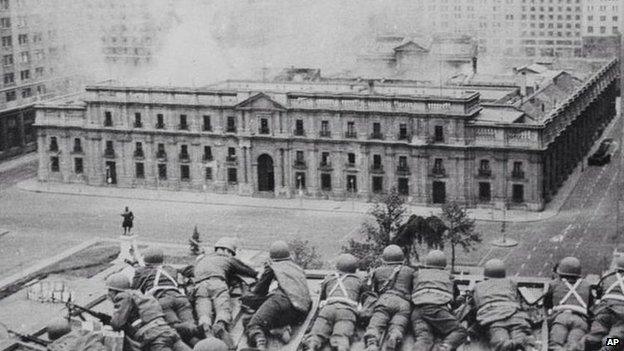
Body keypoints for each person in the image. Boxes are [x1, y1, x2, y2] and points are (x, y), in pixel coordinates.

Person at [244, 240, 312, 350]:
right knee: (248, 319)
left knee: (252, 325)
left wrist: (247, 296)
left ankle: (261, 346)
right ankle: (279, 330)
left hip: (281, 301)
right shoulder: (297, 267)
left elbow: (260, 291)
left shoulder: (273, 266)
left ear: (272, 256)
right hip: (301, 311)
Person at [194, 237, 258, 347]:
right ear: (227, 250)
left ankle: (205, 325)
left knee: (203, 309)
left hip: (200, 286)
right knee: (223, 307)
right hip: (218, 283)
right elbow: (249, 271)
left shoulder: (202, 259)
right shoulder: (227, 259)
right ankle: (220, 324)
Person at [106, 272, 192, 351]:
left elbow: (117, 324)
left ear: (113, 290)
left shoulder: (123, 296)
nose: (108, 294)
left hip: (154, 337)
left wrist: (108, 320)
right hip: (168, 331)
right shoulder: (143, 296)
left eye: (109, 290)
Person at [133, 247, 201, 346]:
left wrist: (138, 268)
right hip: (181, 299)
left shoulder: (141, 271)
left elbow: (134, 288)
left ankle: (179, 326)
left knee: (173, 329)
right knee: (191, 331)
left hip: (162, 300)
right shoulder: (170, 269)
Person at [468, 259, 536, 351]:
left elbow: (473, 309)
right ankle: (519, 345)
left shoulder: (478, 287)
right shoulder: (511, 283)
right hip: (516, 317)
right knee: (520, 335)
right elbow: (520, 303)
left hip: (493, 319)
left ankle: (514, 345)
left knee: (501, 343)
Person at [303, 253, 364, 351]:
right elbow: (363, 299)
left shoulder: (329, 278)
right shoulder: (358, 280)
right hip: (346, 311)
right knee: (342, 336)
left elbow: (321, 300)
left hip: (328, 309)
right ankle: (341, 346)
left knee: (316, 333)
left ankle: (312, 345)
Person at [411, 250, 467, 351]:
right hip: (437, 311)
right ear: (443, 264)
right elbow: (453, 301)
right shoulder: (449, 277)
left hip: (417, 311)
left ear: (427, 263)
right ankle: (444, 347)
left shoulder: (417, 274)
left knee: (424, 339)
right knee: (460, 331)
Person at [363, 245, 415, 351]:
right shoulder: (410, 271)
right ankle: (395, 334)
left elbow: (374, 291)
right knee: (400, 321)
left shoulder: (378, 271)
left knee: (377, 320)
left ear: (384, 258)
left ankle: (372, 341)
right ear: (402, 258)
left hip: (384, 299)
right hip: (403, 302)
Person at [542, 256, 591, 351]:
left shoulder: (554, 284)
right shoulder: (586, 285)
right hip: (580, 320)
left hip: (561, 317)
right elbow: (590, 307)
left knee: (555, 345)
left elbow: (547, 304)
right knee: (574, 346)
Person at [583, 256, 624, 350]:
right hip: (621, 315)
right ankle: (607, 345)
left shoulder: (607, 278)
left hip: (603, 310)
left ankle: (596, 342)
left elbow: (599, 295)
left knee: (594, 336)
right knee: (617, 339)